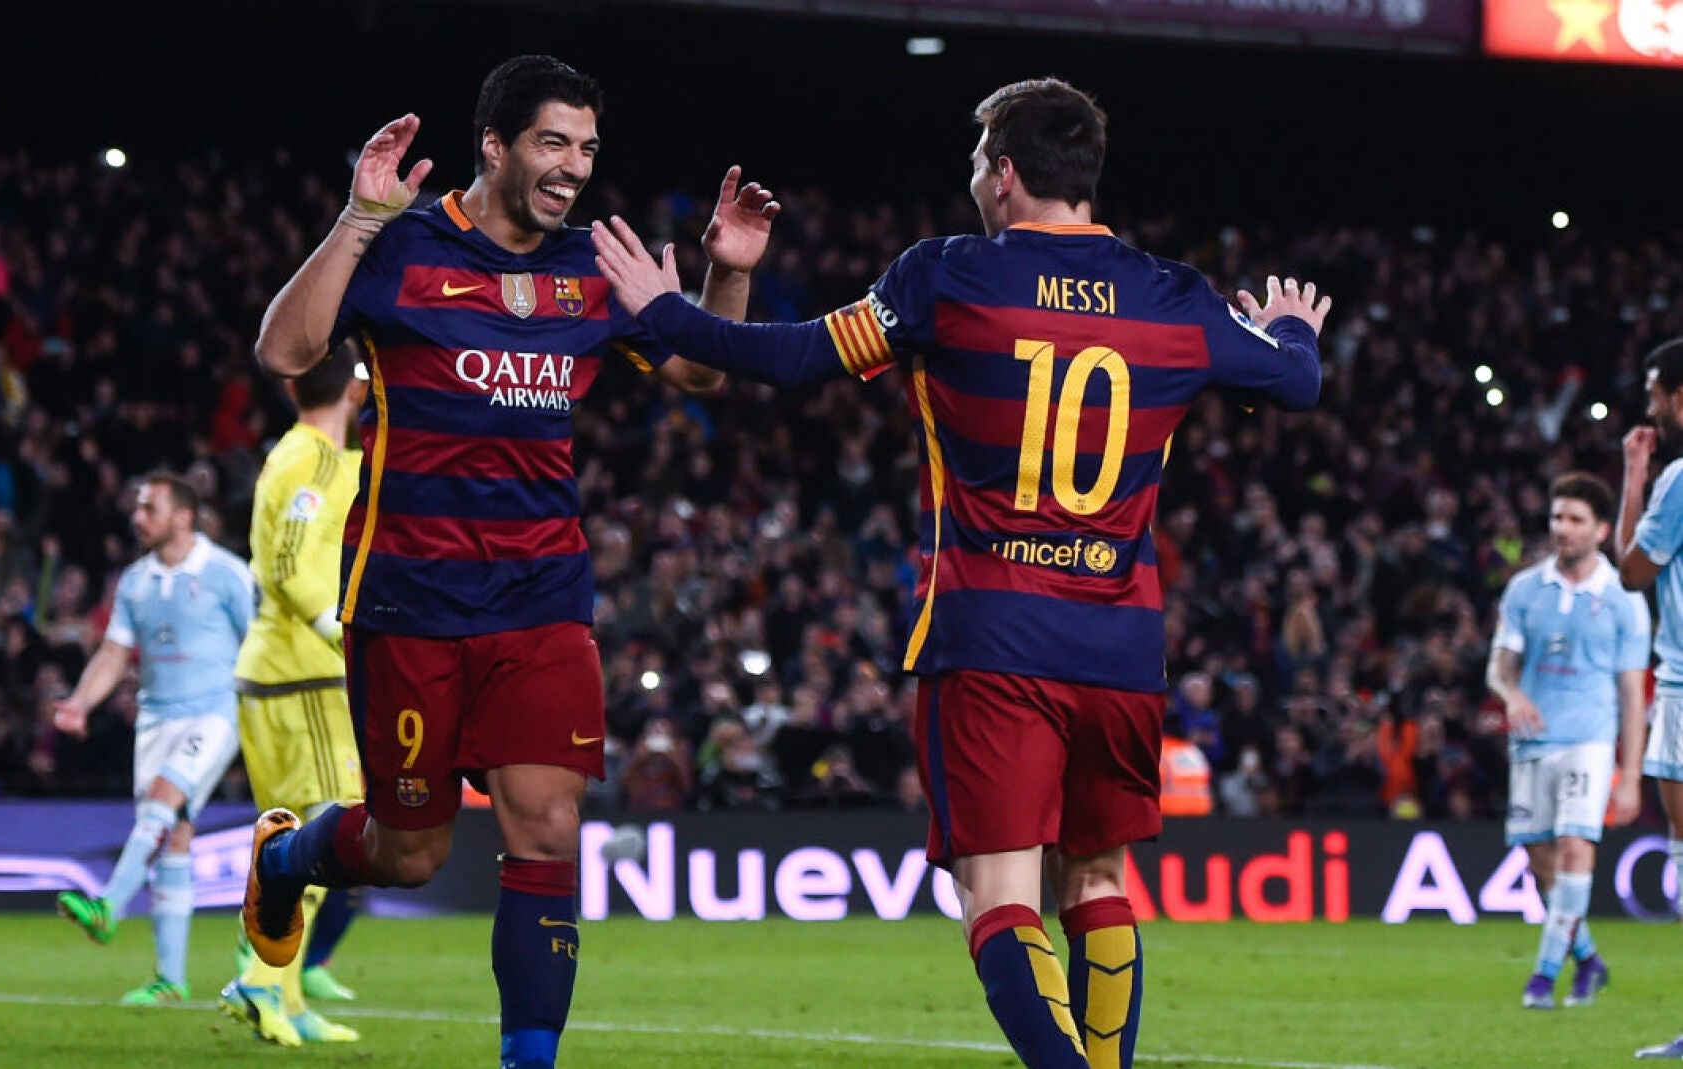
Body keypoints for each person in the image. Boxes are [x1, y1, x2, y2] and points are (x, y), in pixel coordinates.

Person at [592, 75, 1325, 1069]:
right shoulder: (1176, 296)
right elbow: (1296, 378)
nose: (973, 177)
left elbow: (794, 359)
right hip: (1121, 646)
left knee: (998, 896)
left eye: (978, 160)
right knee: (1098, 879)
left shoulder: (948, 278)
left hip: (994, 636)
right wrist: (1291, 325)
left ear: (1005, 174)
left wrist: (664, 312)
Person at [239, 55, 777, 1069]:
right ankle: (288, 855)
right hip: (409, 598)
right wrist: (356, 218)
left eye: (587, 147)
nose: (573, 166)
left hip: (540, 597)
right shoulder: (403, 248)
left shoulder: (594, 265)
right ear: (494, 144)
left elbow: (703, 373)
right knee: (409, 852)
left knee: (547, 828)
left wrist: (729, 274)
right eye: (551, 142)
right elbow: (284, 352)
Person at [52, 473, 255, 1006]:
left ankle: (108, 906)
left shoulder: (226, 573)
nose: (137, 518)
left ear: (183, 517)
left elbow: (260, 640)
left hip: (214, 713)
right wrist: (80, 703)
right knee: (173, 837)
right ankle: (170, 979)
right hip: (156, 720)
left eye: (149, 509)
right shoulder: (135, 582)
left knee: (165, 799)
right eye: (137, 508)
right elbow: (114, 653)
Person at [217, 344, 370, 1045]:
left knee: (286, 838)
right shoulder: (314, 458)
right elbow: (286, 563)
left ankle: (285, 995)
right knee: (329, 830)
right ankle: (259, 978)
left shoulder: (301, 455)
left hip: (276, 671)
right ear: (354, 391)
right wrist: (336, 630)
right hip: (301, 672)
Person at [1485, 472, 1646, 1010]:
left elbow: (1632, 695)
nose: (1563, 528)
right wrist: (1511, 695)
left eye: (1576, 519)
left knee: (1576, 846)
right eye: (1557, 517)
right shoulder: (1524, 590)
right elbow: (1498, 667)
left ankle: (1542, 977)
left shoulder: (1624, 599)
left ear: (1600, 530)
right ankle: (1589, 960)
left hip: (1590, 740)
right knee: (1540, 860)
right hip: (1532, 740)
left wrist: (1631, 776)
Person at [1616, 337, 1683, 1059]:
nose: (1651, 409)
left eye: (1655, 395)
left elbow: (1632, 571)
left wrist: (1635, 475)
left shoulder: (1680, 479)